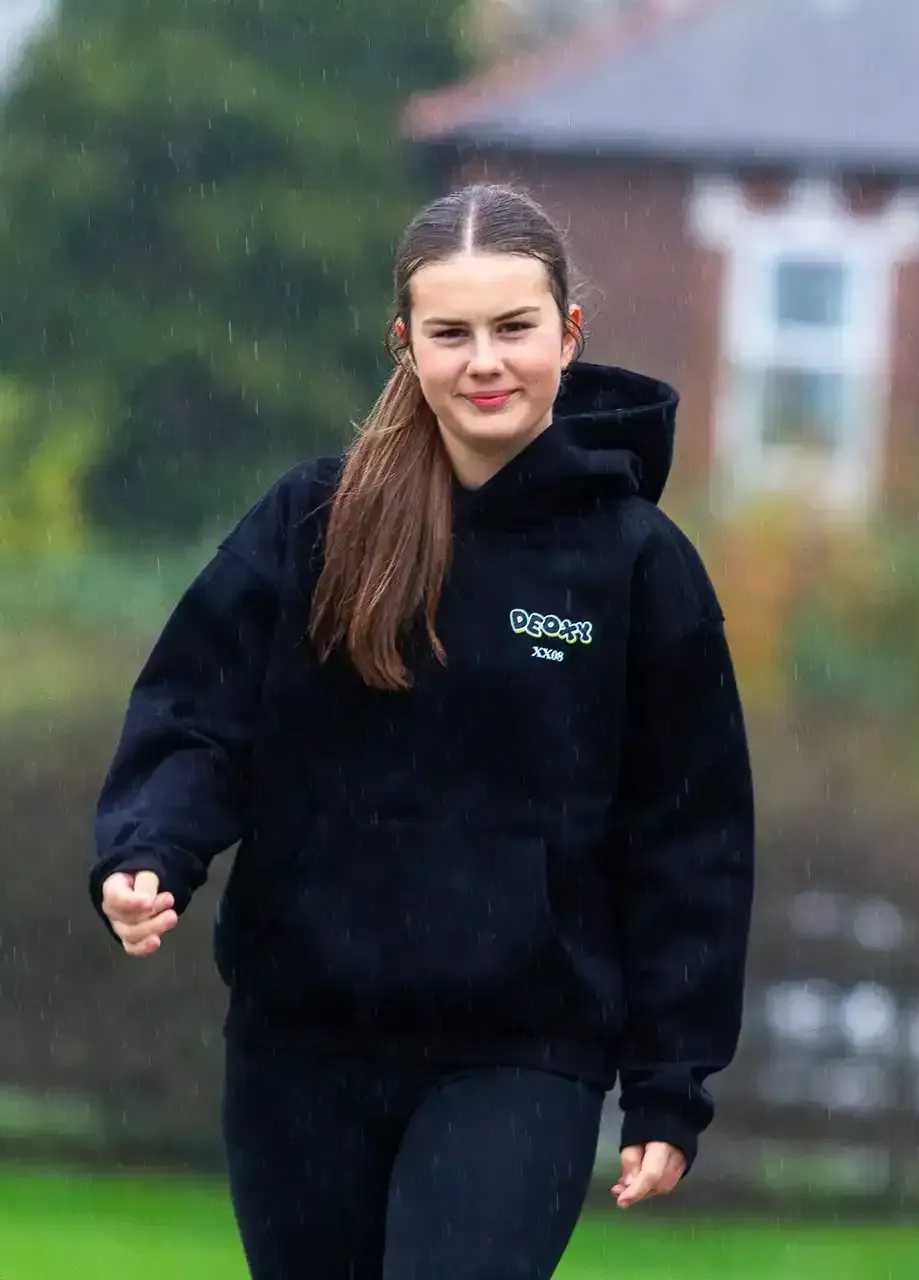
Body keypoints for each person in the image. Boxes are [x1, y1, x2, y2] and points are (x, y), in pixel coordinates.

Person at [86, 183, 755, 1280]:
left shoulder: (640, 564)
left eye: (514, 327)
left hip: (523, 1051)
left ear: (568, 333)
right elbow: (198, 713)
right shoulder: (312, 521)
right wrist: (149, 848)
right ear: (406, 344)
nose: (484, 359)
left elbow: (690, 837)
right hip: (301, 1041)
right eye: (450, 332)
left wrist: (671, 1076)